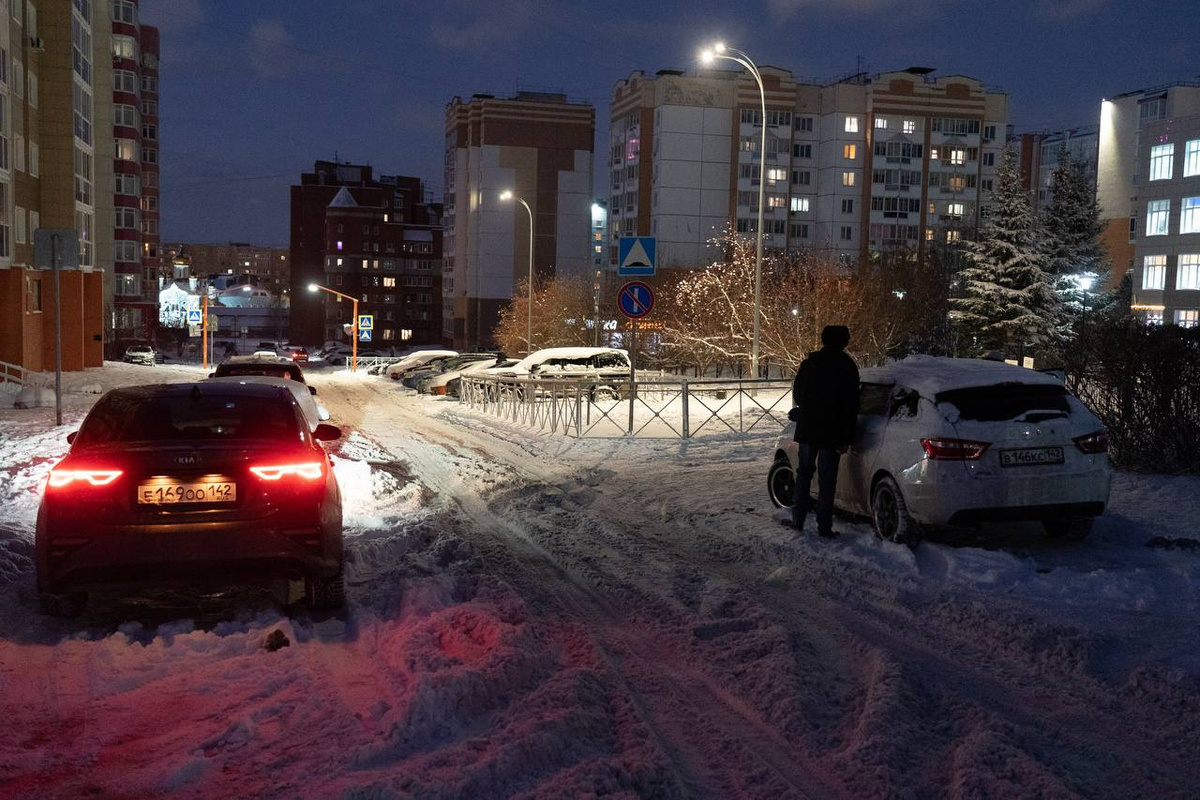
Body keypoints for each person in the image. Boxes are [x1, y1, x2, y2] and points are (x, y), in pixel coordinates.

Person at [789, 325, 859, 537]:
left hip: (808, 428)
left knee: (803, 474)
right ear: (844, 342)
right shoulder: (847, 366)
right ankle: (824, 526)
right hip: (832, 432)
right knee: (827, 480)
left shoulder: (809, 364)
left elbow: (798, 395)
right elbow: (851, 405)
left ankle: (798, 519)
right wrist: (846, 437)